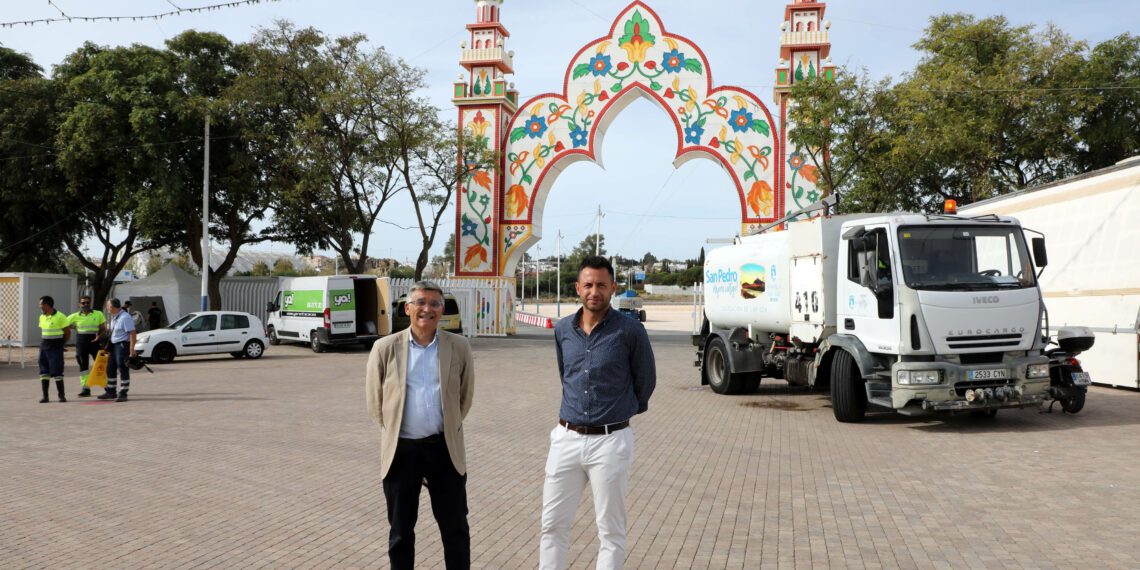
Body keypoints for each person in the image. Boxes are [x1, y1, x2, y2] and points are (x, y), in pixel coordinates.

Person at [539, 255, 656, 570]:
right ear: (578, 288)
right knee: (552, 525)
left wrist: (620, 412)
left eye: (601, 285)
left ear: (613, 288)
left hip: (611, 441)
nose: (595, 291)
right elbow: (567, 375)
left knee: (610, 531)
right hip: (565, 439)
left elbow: (645, 383)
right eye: (588, 285)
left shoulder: (631, 332)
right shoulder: (563, 329)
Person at [365, 281, 475, 570]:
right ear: (408, 307)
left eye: (435, 303)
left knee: (456, 530)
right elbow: (376, 403)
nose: (428, 309)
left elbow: (464, 398)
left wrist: (447, 427)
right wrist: (397, 432)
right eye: (421, 303)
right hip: (402, 453)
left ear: (442, 309)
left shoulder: (459, 346)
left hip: (445, 451)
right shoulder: (384, 348)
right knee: (401, 532)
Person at [98, 298, 137, 402]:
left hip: (122, 345)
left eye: (107, 306)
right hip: (113, 346)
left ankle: (123, 393)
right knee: (110, 368)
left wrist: (132, 349)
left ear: (111, 307)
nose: (107, 308)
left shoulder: (125, 317)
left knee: (122, 367)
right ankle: (111, 391)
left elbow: (132, 333)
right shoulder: (114, 317)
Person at [67, 296, 106, 397]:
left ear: (90, 303)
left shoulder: (98, 314)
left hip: (95, 342)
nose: (85, 305)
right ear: (79, 304)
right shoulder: (74, 316)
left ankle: (108, 387)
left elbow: (103, 330)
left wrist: (100, 337)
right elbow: (63, 324)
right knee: (83, 367)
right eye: (83, 303)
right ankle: (86, 388)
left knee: (100, 366)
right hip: (81, 343)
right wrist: (74, 327)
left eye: (87, 303)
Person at [37, 296, 71, 403]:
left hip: (55, 347)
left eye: (41, 304)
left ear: (47, 305)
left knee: (57, 371)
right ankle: (45, 396)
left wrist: (63, 344)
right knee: (43, 371)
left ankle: (61, 395)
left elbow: (67, 332)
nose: (39, 306)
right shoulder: (41, 317)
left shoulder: (60, 316)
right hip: (44, 347)